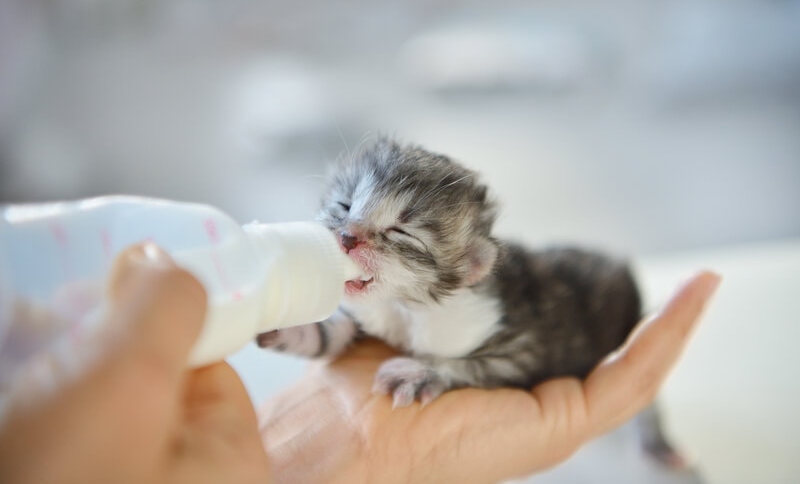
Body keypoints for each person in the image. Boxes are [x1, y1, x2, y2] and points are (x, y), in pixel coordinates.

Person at [0, 243, 721, 484]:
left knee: (634, 385)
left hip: (583, 306)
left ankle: (652, 433)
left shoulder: (476, 314)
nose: (347, 243)